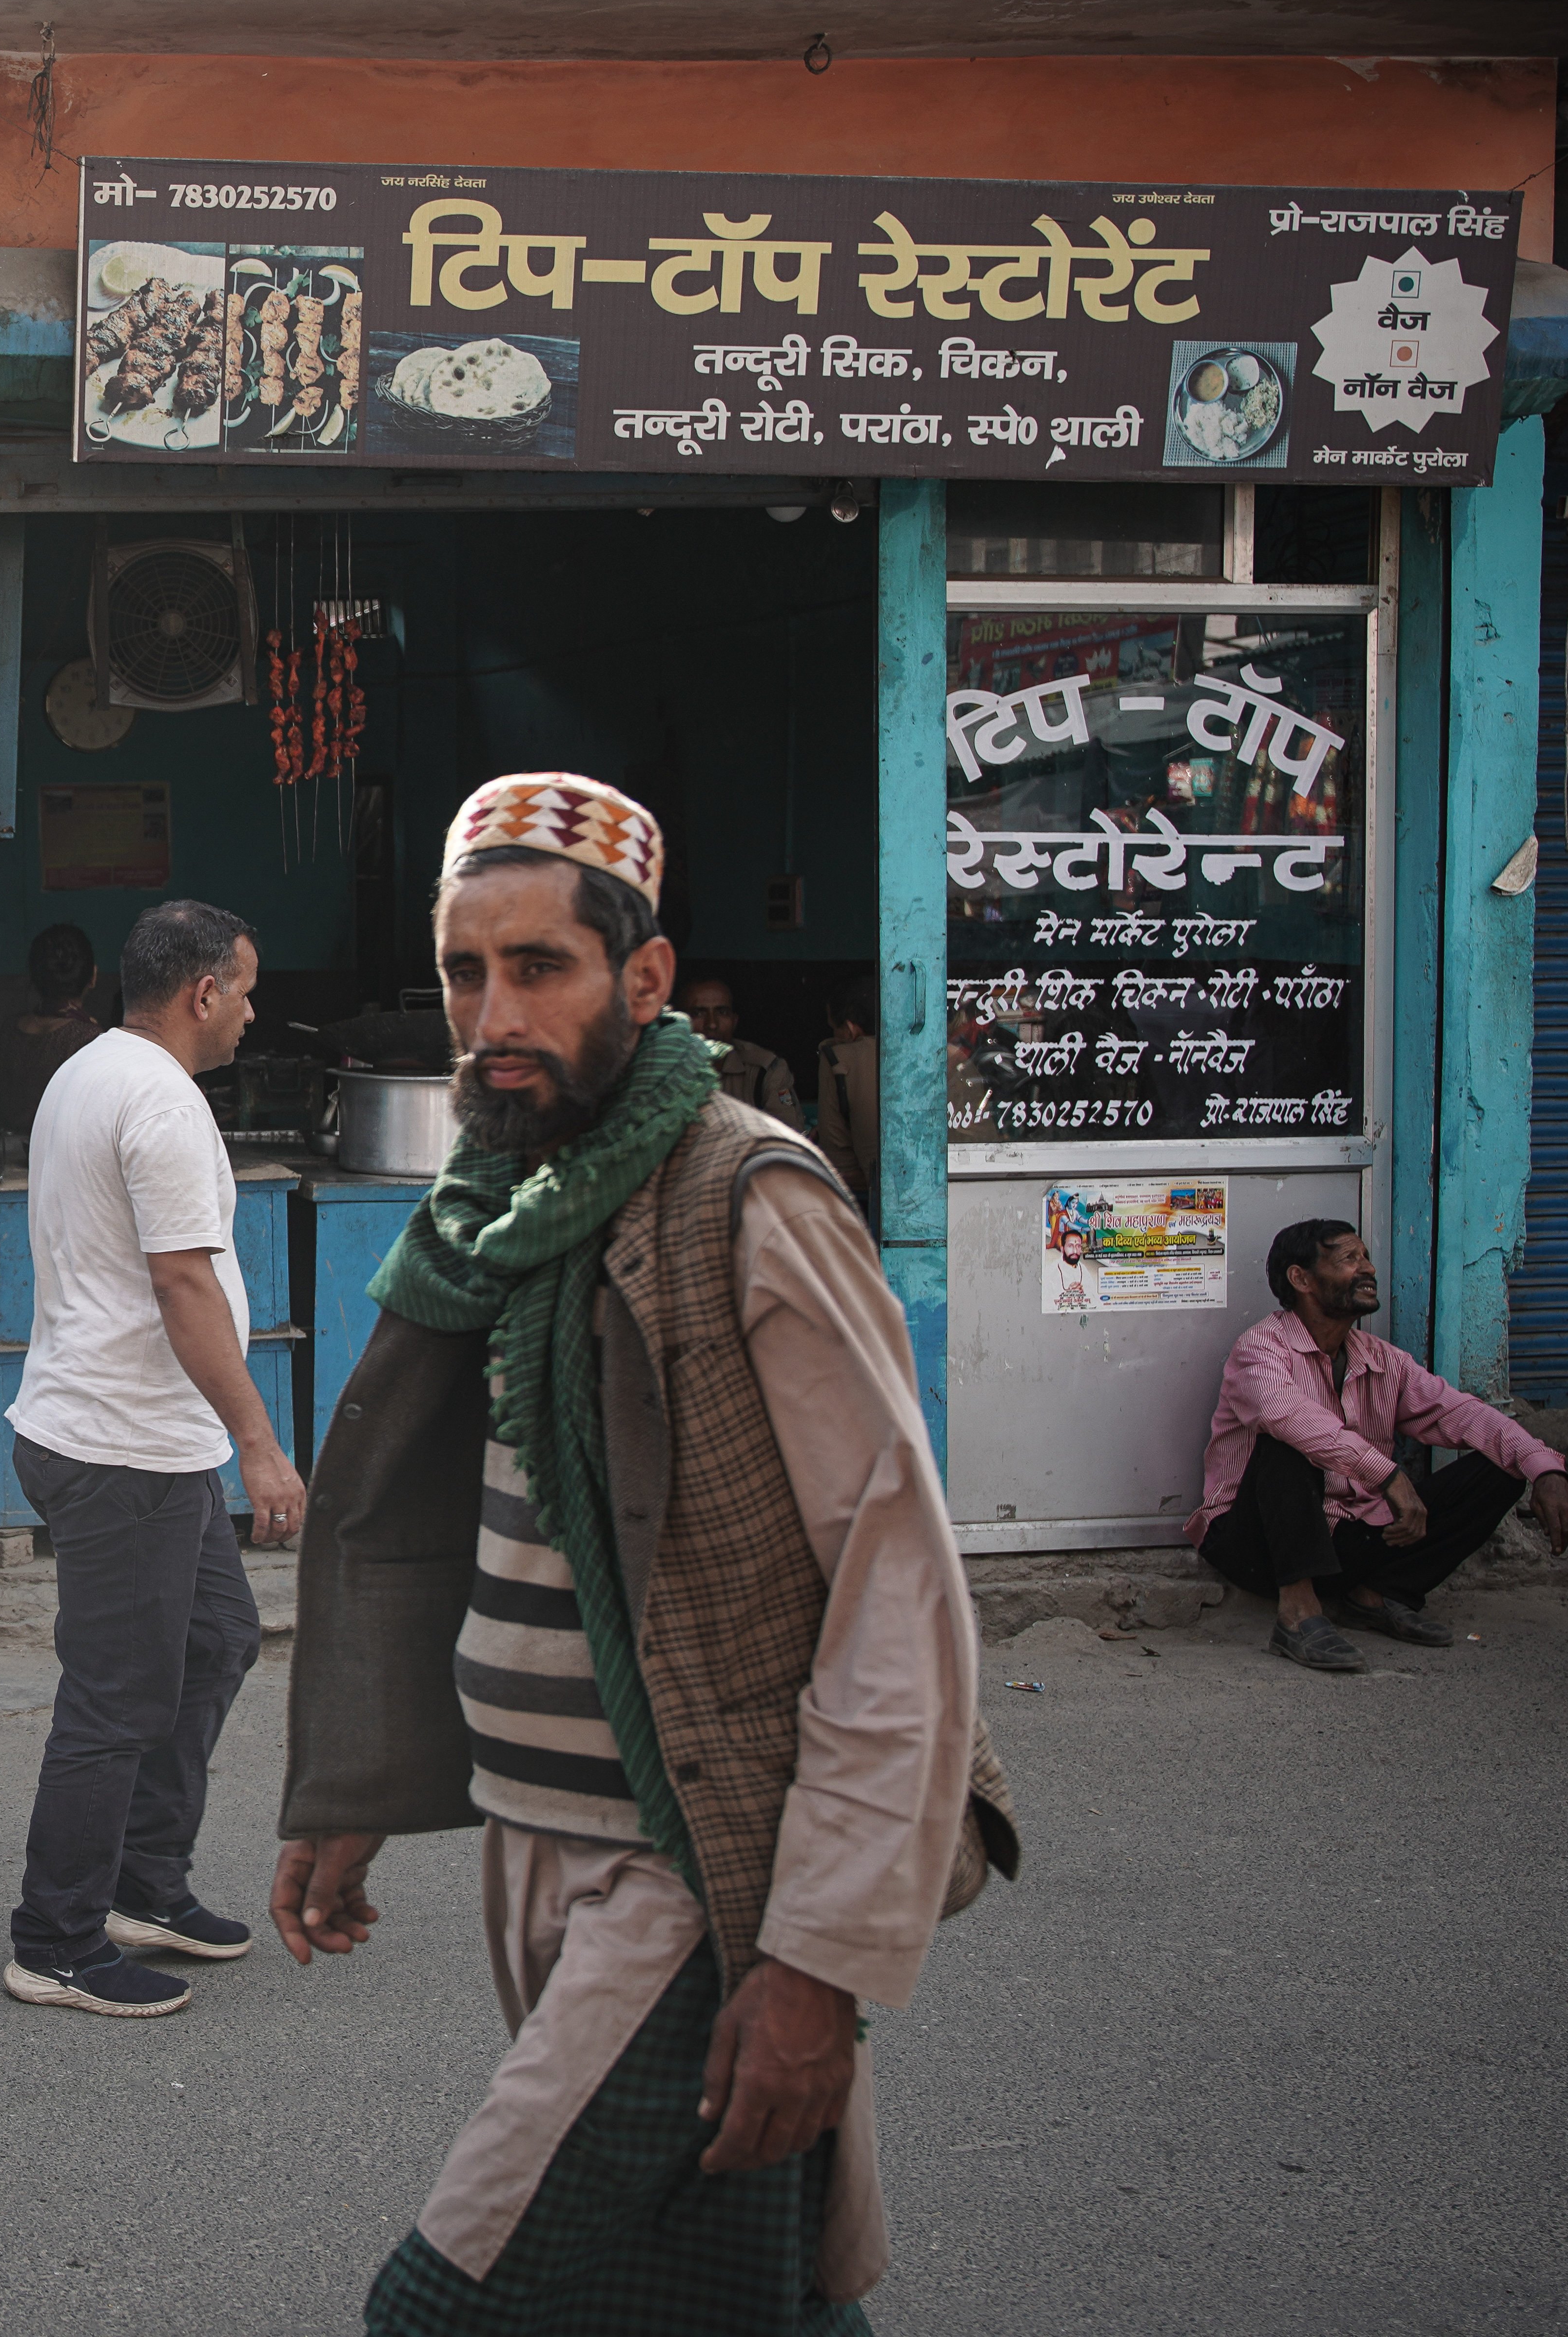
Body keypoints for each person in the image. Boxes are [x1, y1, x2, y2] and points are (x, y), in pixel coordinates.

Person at [271, 773, 1011, 2332]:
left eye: (539, 966)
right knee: (721, 2280)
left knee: (459, 2300)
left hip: (690, 1858)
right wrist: (356, 1792)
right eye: (468, 974)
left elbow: (898, 1583)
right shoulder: (509, 1202)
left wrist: (818, 1959)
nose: (492, 1014)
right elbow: (457, 1533)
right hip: (533, 1840)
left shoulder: (749, 1195)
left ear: (647, 977)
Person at [0, 897, 307, 2019]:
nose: (252, 1010)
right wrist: (262, 1450)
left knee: (215, 1640)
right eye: (247, 986)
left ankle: (140, 1884)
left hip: (132, 1437)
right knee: (117, 1696)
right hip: (120, 1443)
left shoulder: (93, 1070)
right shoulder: (159, 1103)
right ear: (202, 991)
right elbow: (183, 1284)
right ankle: (56, 1939)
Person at [1194, 1218, 1568, 1672]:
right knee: (1288, 1444)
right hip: (1256, 1545)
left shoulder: (1382, 1359)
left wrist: (1545, 1469)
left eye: (1366, 1257)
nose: (1368, 1269)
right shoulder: (1260, 1350)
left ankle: (1379, 1594)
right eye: (1348, 1260)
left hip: (1344, 1535)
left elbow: (1461, 1413)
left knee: (1502, 1468)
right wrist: (1390, 1475)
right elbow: (1290, 1417)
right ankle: (1298, 1614)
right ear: (1300, 1279)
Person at [0, 919, 112, 1131]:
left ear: (34, 979)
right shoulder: (91, 1040)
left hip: (5, 1155)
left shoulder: (10, 1030)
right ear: (93, 976)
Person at [677, 970, 804, 1125]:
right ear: (679, 1022)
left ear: (734, 1021)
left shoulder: (763, 1070)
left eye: (722, 1012)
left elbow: (787, 1138)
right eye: (699, 1013)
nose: (712, 1024)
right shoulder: (661, 1067)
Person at [806, 973, 879, 1213]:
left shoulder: (838, 1058)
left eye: (833, 1028)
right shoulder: (947, 1052)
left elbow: (843, 1170)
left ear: (849, 1029)